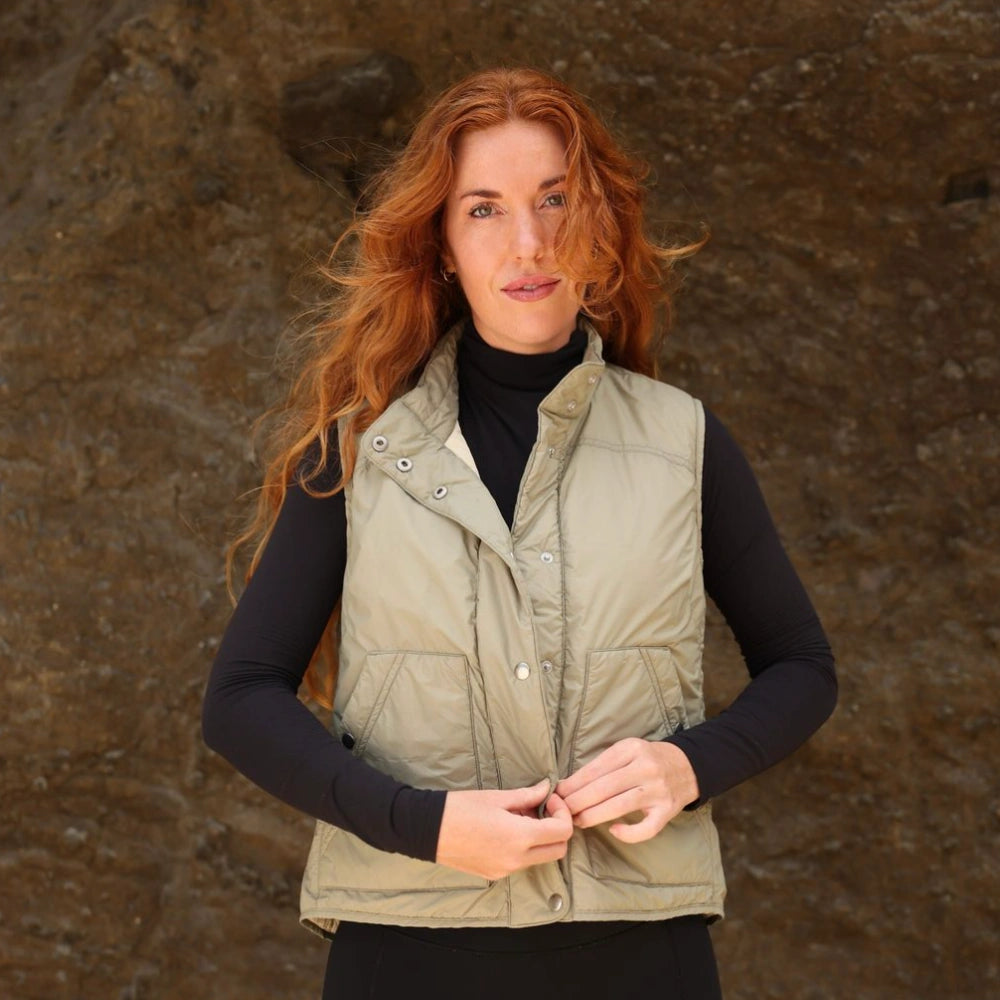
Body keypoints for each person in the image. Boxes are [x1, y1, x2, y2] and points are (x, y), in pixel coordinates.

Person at [202, 67, 837, 999]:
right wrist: (425, 824)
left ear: (601, 223)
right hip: (405, 950)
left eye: (555, 200)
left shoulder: (681, 441)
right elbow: (239, 700)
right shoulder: (357, 456)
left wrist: (685, 767)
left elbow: (803, 668)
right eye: (485, 210)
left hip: (639, 952)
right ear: (443, 246)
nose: (530, 241)